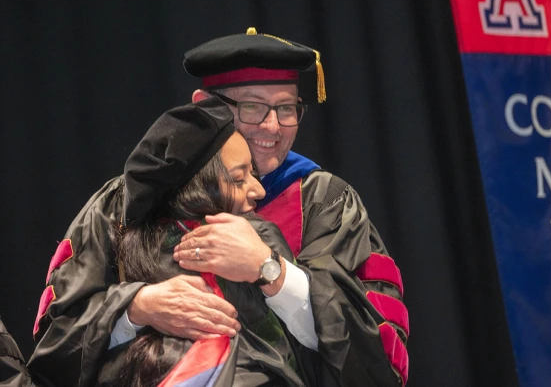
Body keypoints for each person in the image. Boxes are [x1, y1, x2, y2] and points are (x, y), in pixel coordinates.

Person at [28, 27, 409, 386]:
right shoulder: (124, 202)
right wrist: (135, 308)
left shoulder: (325, 204)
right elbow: (53, 347)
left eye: (287, 108)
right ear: (204, 108)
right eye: (252, 107)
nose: (273, 127)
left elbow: (380, 359)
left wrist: (271, 271)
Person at [99, 97, 316, 386]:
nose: (259, 190)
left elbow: (327, 343)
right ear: (199, 189)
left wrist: (266, 267)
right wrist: (137, 307)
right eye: (239, 179)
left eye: (252, 173)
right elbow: (66, 346)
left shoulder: (261, 239)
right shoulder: (124, 240)